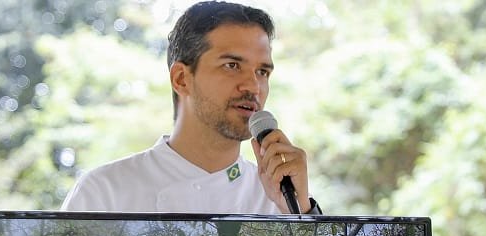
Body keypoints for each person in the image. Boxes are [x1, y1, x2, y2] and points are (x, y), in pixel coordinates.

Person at [61, 1, 320, 215]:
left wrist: (302, 212)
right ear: (181, 79)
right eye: (232, 66)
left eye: (262, 71)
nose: (253, 86)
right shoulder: (102, 194)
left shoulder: (280, 200)